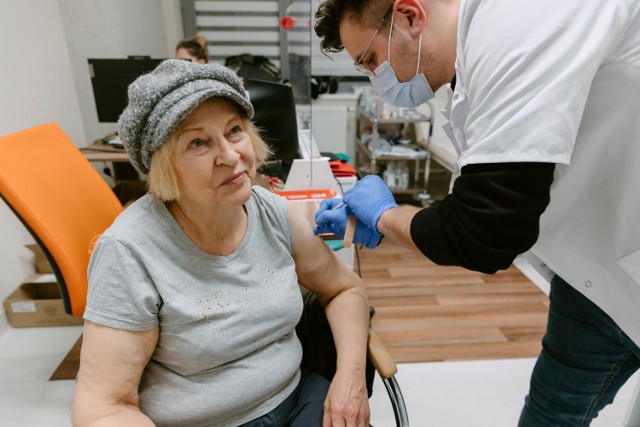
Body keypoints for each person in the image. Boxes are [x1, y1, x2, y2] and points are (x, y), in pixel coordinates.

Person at [313, 0, 640, 425]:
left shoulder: (522, 21)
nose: (377, 80)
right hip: (591, 276)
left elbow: (482, 232)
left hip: (622, 254)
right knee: (549, 415)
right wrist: (382, 221)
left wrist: (384, 216)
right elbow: (474, 204)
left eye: (371, 60)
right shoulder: (471, 64)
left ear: (410, 16)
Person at [71, 59, 371, 427]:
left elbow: (344, 289)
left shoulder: (272, 212)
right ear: (164, 164)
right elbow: (102, 407)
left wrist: (350, 377)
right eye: (198, 142)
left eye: (234, 131)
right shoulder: (129, 251)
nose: (231, 156)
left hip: (298, 397)